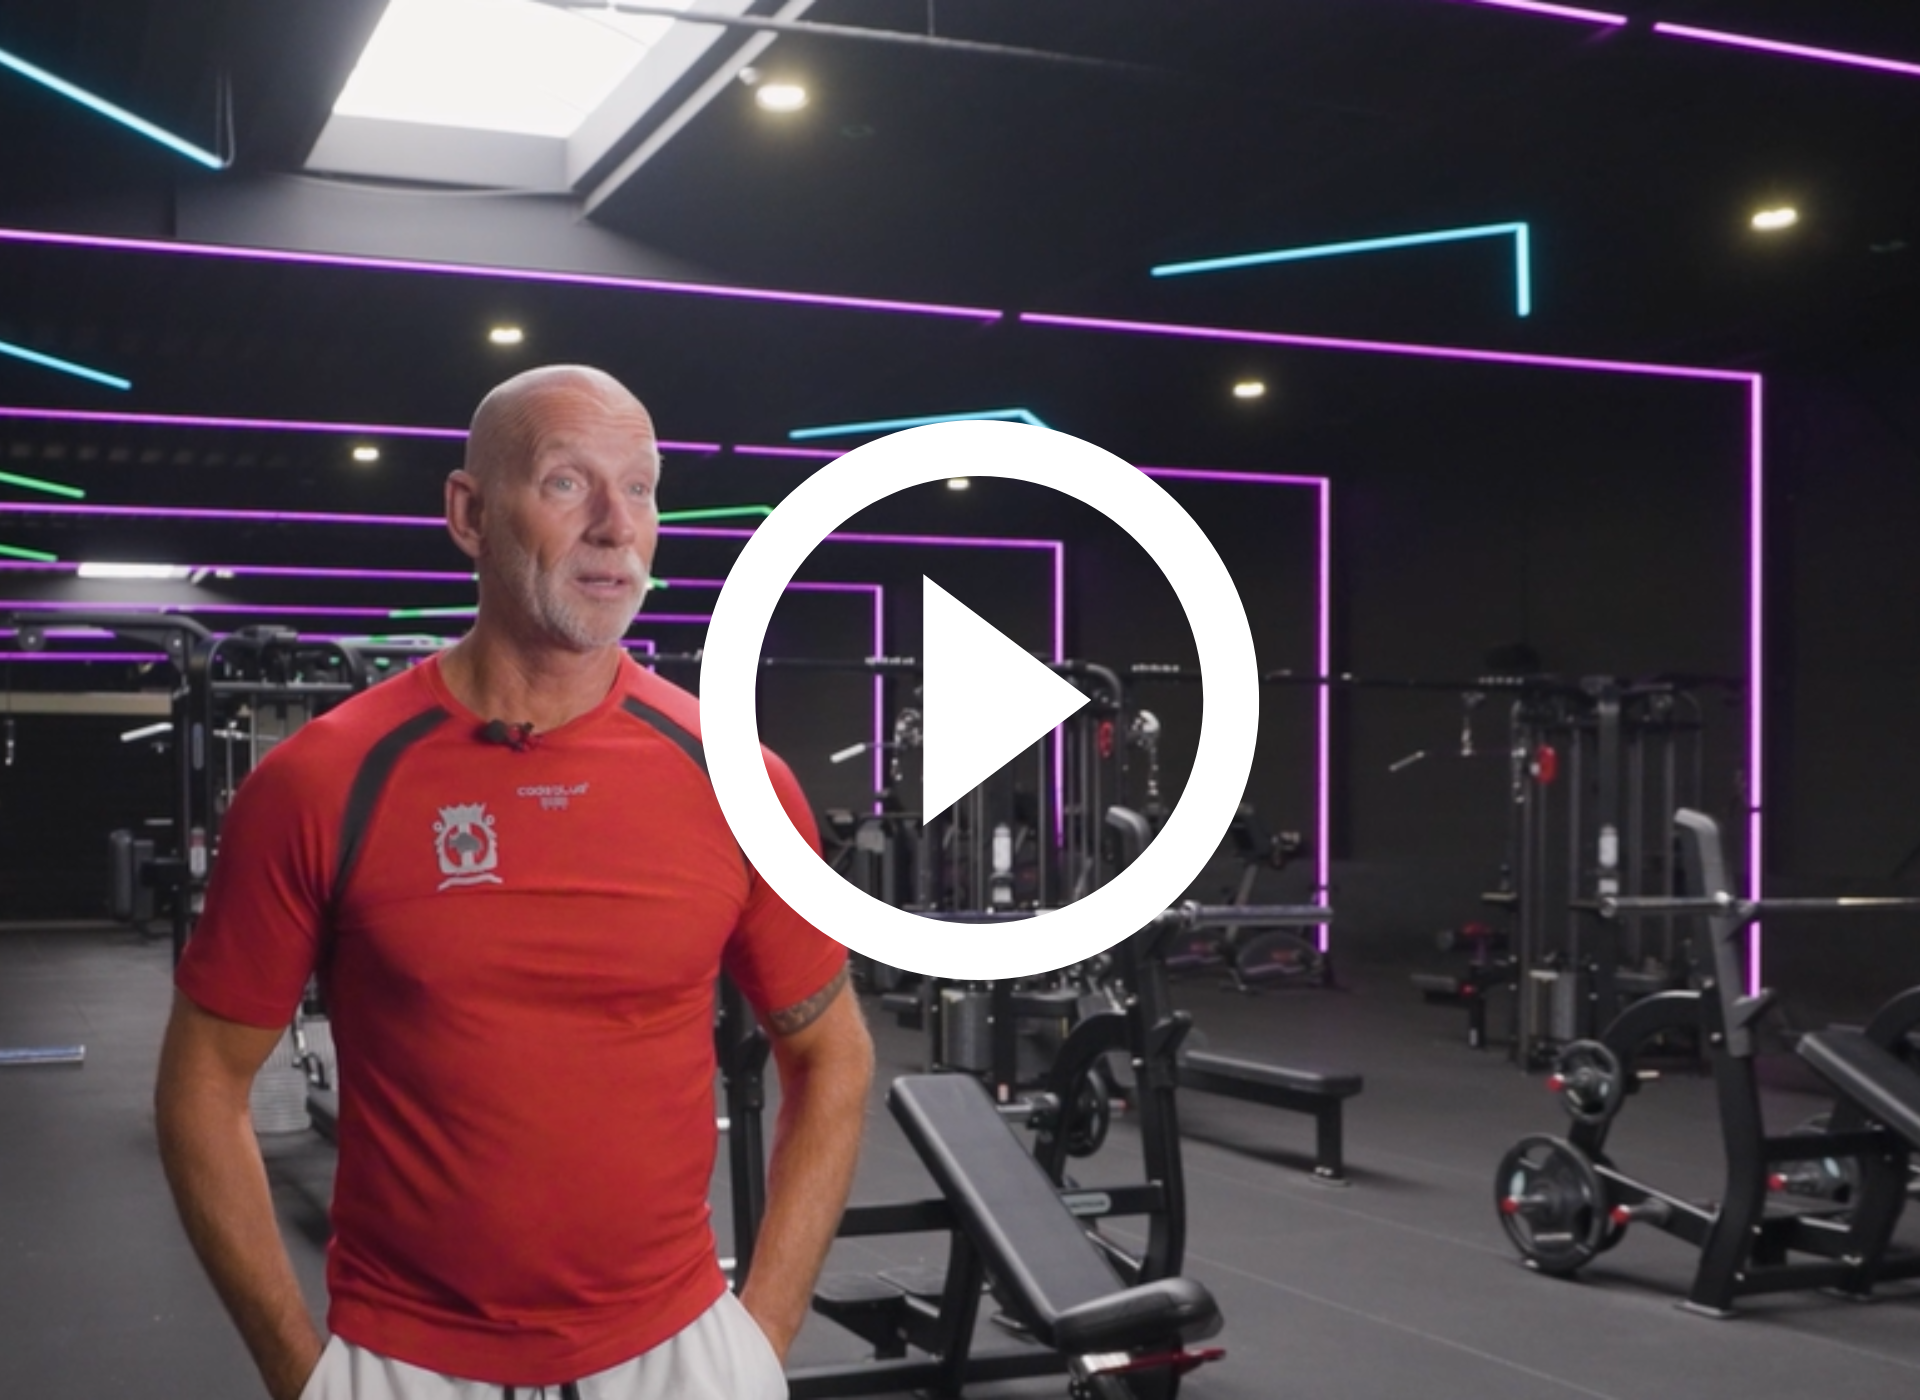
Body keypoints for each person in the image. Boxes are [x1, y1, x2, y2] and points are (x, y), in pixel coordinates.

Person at [154, 365, 875, 1400]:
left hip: (678, 1351)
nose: (616, 525)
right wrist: (297, 1368)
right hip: (405, 1361)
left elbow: (832, 1055)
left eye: (642, 487)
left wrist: (760, 1336)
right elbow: (203, 1083)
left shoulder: (736, 778)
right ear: (469, 512)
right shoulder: (320, 781)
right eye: (568, 482)